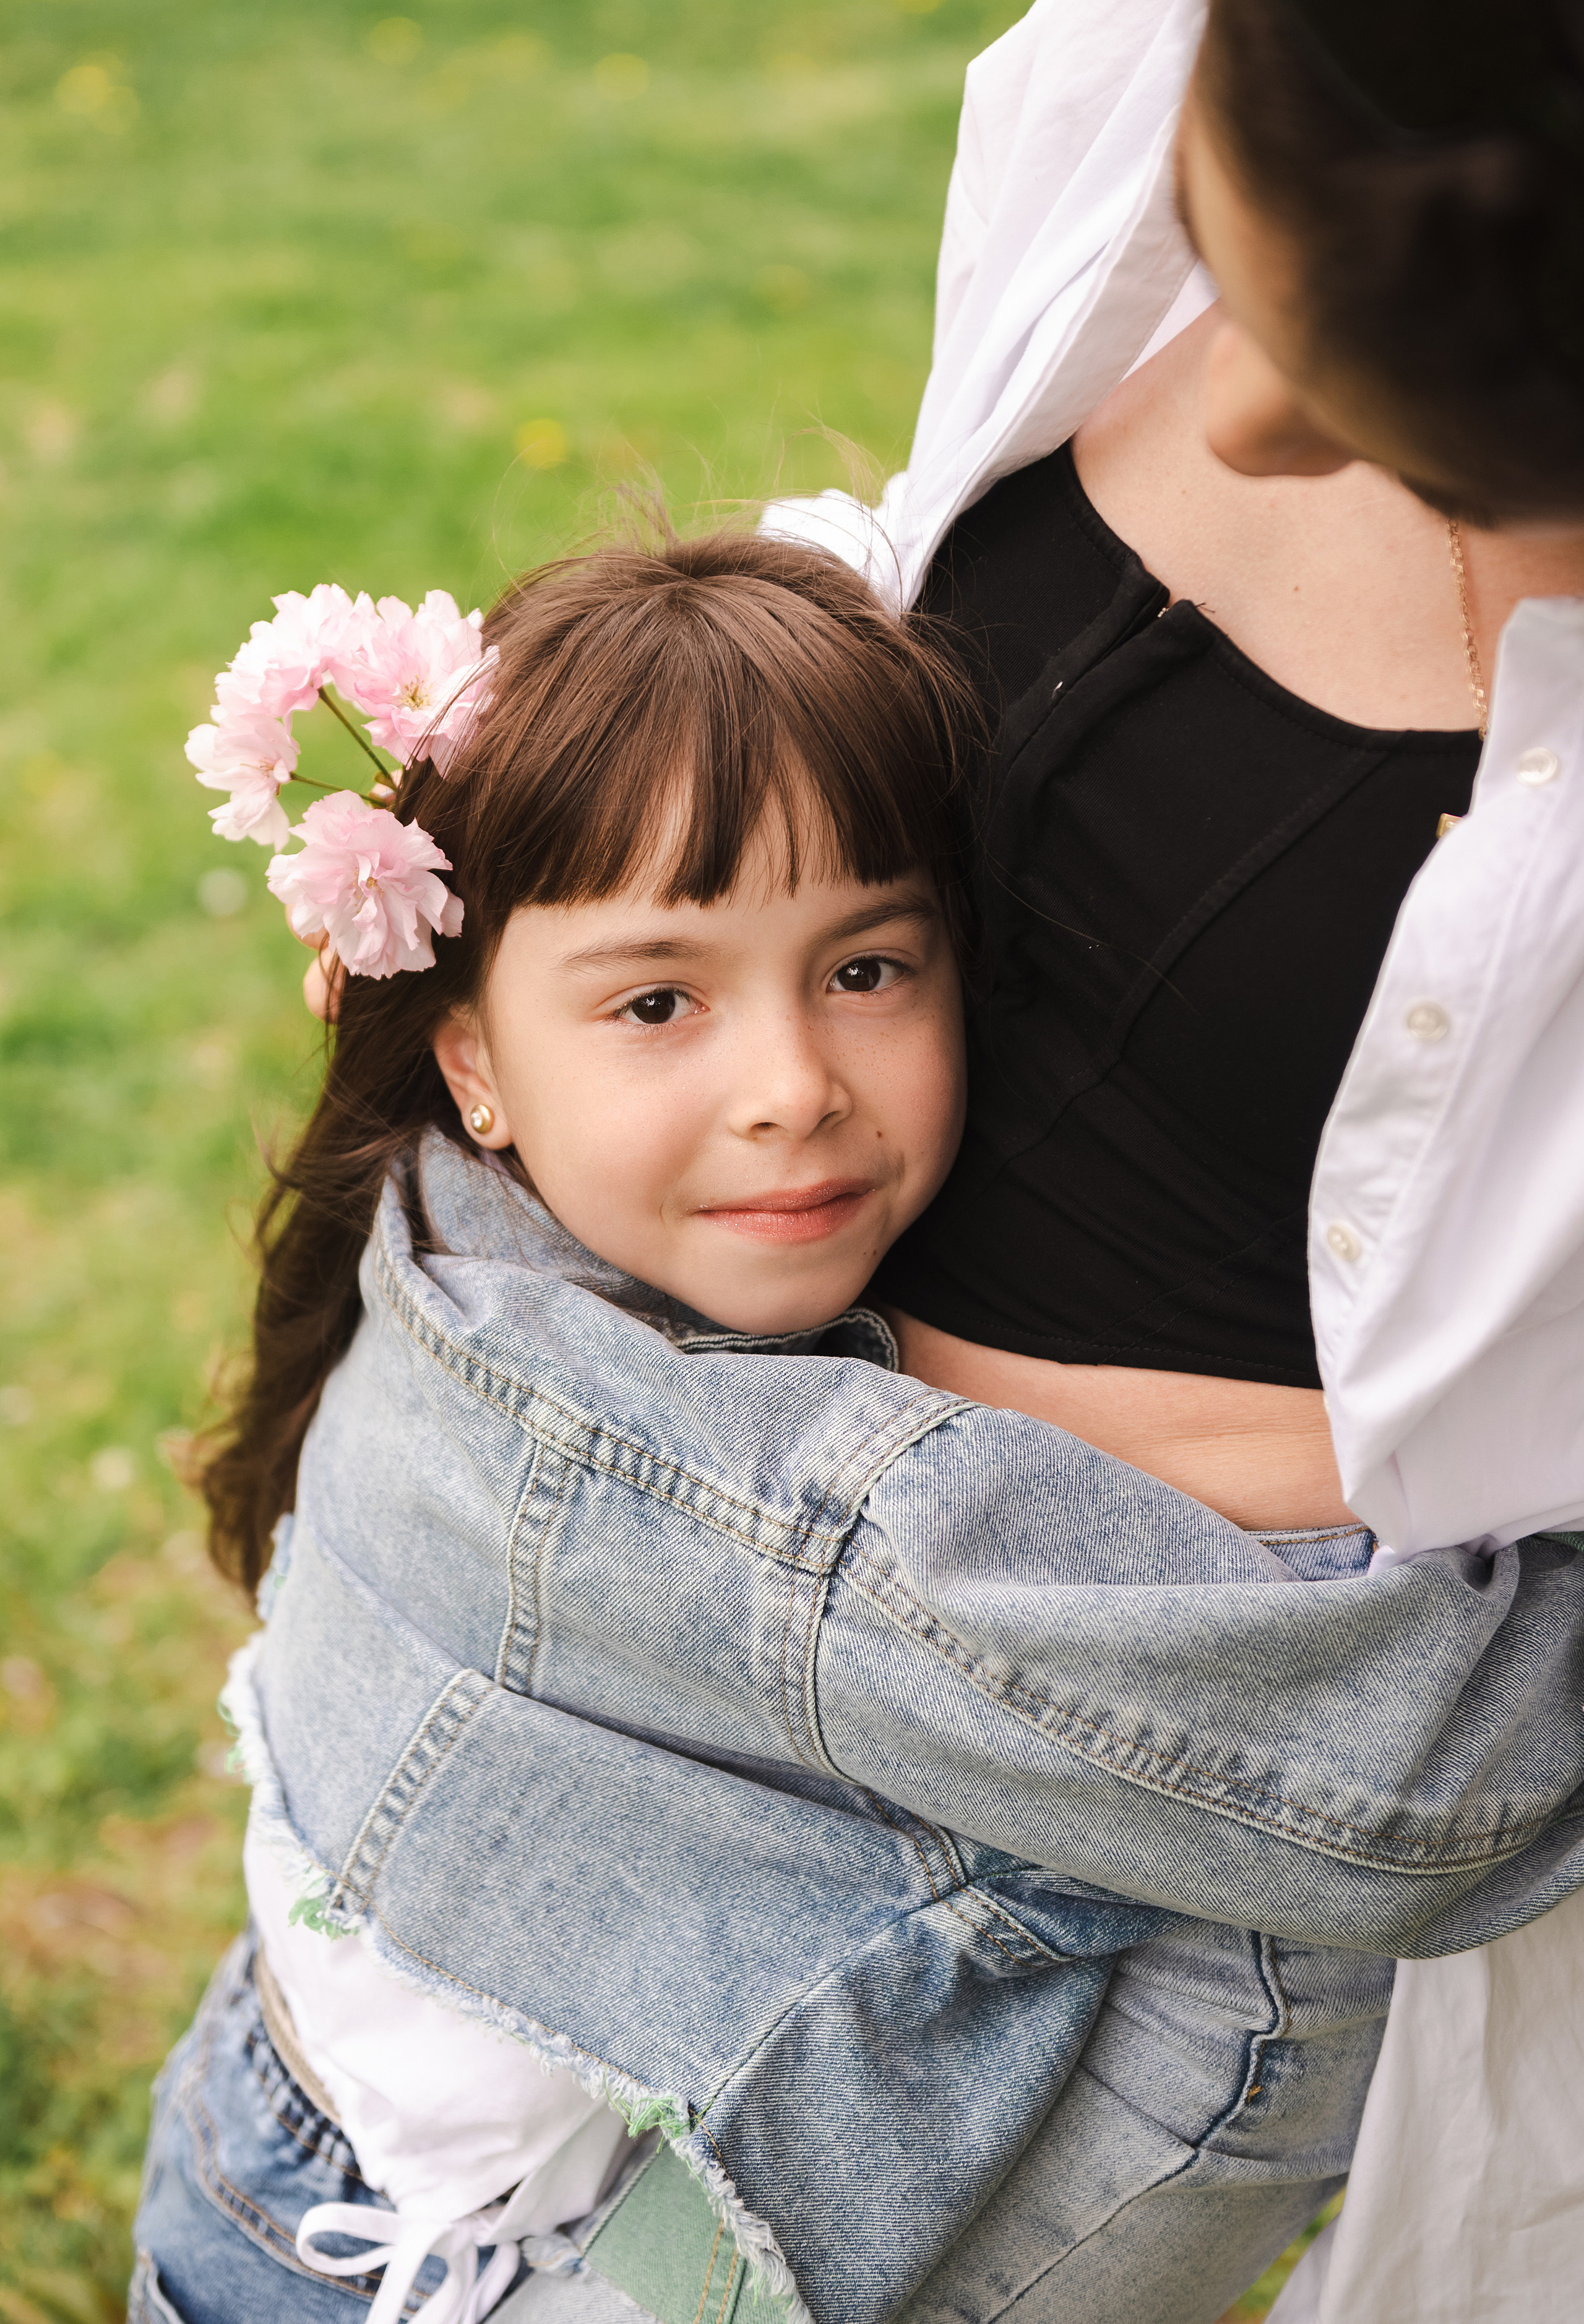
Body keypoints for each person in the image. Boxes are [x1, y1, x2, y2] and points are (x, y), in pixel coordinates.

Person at [758, 0, 1584, 2317]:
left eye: (1426, 410)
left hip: (1249, 1778)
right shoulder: (1156, 57)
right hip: (722, 1517)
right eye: (1245, 244)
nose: (1238, 406)